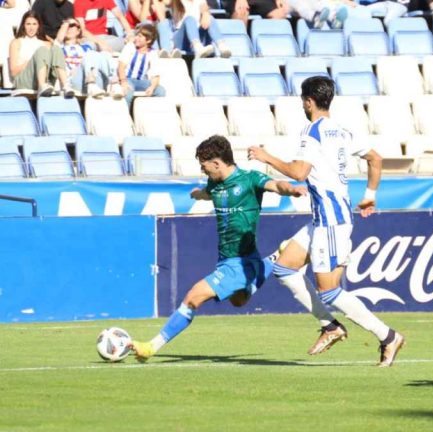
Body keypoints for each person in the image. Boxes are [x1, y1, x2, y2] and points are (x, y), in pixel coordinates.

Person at [248, 76, 406, 367]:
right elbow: (376, 159)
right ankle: (330, 326)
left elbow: (299, 172)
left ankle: (388, 336)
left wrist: (266, 157)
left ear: (308, 102)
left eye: (302, 100)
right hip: (326, 217)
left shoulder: (313, 131)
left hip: (330, 222)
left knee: (330, 291)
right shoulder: (343, 131)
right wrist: (370, 195)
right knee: (284, 268)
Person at [131, 135, 308, 362]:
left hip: (238, 262)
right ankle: (272, 260)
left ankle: (151, 347)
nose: (204, 172)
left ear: (217, 163)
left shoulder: (250, 179)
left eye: (205, 167)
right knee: (238, 300)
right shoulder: (215, 184)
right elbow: (208, 192)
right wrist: (198, 194)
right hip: (230, 259)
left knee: (193, 297)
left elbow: (276, 185)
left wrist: (291, 190)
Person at [9, 10, 73, 97]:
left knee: (56, 49)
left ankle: (65, 85)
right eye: (28, 24)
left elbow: (56, 47)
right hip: (24, 80)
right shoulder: (16, 42)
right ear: (23, 25)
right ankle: (42, 86)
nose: (31, 28)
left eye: (34, 24)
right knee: (41, 50)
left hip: (46, 78)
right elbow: (13, 72)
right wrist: (32, 61)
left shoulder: (46, 42)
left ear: (39, 25)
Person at [56, 18, 114, 97]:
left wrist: (90, 38)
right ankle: (92, 84)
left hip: (95, 78)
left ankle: (113, 83)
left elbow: (107, 50)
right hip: (74, 80)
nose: (68, 28)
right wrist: (65, 25)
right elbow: (59, 39)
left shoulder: (87, 46)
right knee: (90, 54)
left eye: (72, 25)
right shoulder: (58, 48)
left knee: (104, 54)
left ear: (78, 31)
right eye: (65, 26)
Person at [116, 22, 166, 106]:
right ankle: (125, 115)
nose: (136, 38)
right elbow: (121, 66)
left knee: (161, 91)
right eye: (137, 35)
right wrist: (123, 81)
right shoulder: (130, 47)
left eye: (140, 36)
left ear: (148, 40)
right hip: (128, 79)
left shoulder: (153, 53)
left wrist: (152, 87)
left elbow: (156, 75)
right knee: (127, 92)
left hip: (142, 81)